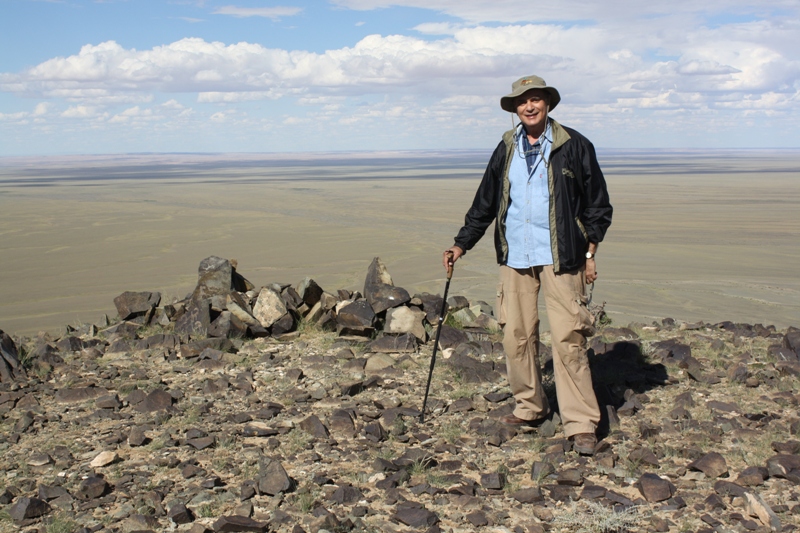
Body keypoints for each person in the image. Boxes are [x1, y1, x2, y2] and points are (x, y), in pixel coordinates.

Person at [443, 75, 612, 455]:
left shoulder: (574, 146)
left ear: (548, 104)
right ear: (515, 109)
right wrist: (460, 245)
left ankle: (581, 422)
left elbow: (598, 205)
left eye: (536, 99)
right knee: (515, 334)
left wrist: (589, 251)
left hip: (562, 257)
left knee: (569, 337)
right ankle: (530, 407)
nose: (529, 107)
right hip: (516, 257)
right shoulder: (506, 148)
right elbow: (484, 204)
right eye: (522, 102)